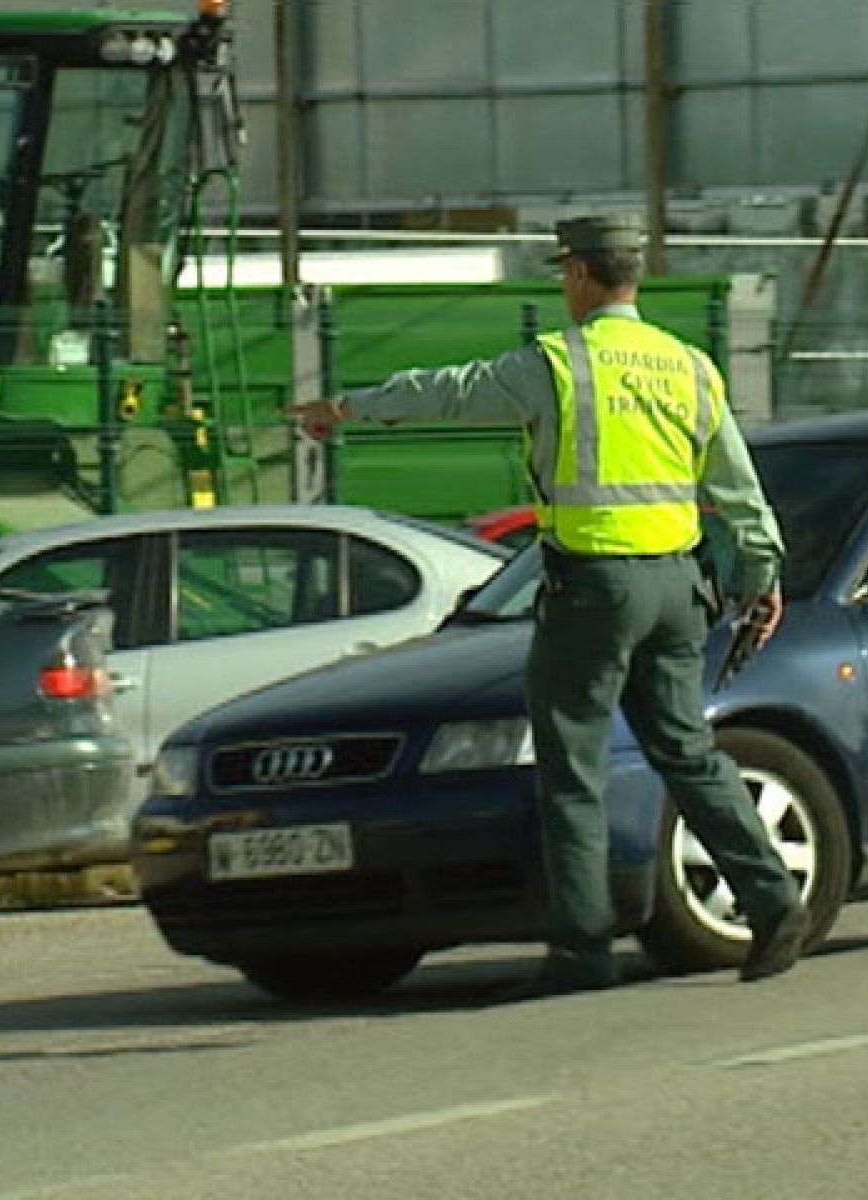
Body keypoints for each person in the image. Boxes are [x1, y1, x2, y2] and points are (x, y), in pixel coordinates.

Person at [289, 213, 807, 995]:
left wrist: (348, 408)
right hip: (678, 584)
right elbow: (738, 486)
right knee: (686, 749)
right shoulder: (689, 366)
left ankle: (581, 947)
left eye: (565, 270)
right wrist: (763, 577)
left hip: (595, 586)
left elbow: (452, 395)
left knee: (573, 765)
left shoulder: (560, 364)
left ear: (580, 275)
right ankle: (773, 901)